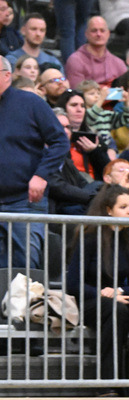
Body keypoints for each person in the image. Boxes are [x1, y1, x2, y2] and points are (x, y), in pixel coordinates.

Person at [66, 185, 129, 388]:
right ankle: (108, 383)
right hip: (90, 301)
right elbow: (73, 284)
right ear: (108, 210)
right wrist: (103, 293)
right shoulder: (89, 237)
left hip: (118, 298)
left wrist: (119, 291)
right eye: (123, 207)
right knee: (116, 309)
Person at [0, 56, 69, 269]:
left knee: (25, 271)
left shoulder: (31, 103)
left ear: (7, 75)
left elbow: (60, 141)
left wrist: (41, 174)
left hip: (25, 201)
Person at [65, 17, 129, 88]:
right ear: (86, 34)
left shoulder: (119, 64)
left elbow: (125, 92)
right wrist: (112, 91)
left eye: (102, 31)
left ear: (108, 34)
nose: (98, 34)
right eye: (94, 31)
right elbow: (78, 92)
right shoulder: (75, 60)